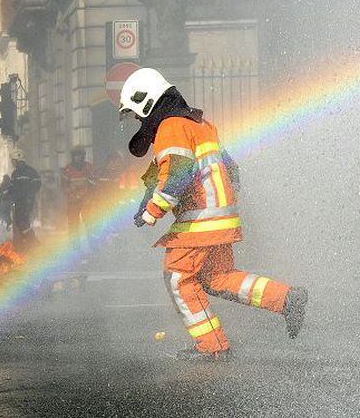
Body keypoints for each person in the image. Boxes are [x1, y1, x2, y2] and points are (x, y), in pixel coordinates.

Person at [119, 67, 308, 361]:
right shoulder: (199, 123)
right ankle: (287, 298)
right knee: (217, 277)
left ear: (146, 101)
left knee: (177, 278)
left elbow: (178, 173)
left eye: (136, 112)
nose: (138, 120)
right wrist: (148, 200)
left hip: (201, 218)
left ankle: (212, 346)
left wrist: (152, 212)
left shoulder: (170, 126)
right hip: (221, 216)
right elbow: (228, 167)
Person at [61, 145, 96, 240]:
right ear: (72, 156)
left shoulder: (89, 167)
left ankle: (92, 243)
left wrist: (88, 195)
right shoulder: (67, 170)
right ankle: (74, 245)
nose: (78, 157)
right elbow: (64, 186)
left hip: (86, 201)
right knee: (73, 224)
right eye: (75, 155)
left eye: (79, 155)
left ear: (83, 156)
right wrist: (73, 194)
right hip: (73, 201)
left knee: (90, 223)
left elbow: (94, 184)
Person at [8, 149, 41, 251]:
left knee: (22, 222)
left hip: (26, 201)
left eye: (13, 160)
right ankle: (26, 242)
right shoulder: (15, 173)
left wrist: (29, 196)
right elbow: (11, 187)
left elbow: (37, 184)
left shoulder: (30, 172)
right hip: (19, 201)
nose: (12, 163)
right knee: (20, 222)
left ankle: (33, 241)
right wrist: (7, 194)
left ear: (19, 160)